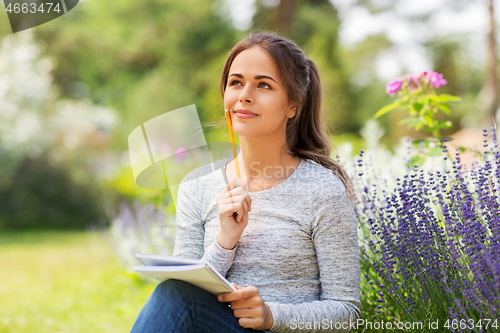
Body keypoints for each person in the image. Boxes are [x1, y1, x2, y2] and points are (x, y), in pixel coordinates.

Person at [131, 31, 360, 333]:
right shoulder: (197, 186)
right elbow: (182, 291)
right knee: (174, 292)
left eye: (263, 85)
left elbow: (347, 311)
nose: (244, 95)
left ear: (293, 105)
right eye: (236, 82)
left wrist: (271, 315)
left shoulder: (322, 190)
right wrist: (226, 240)